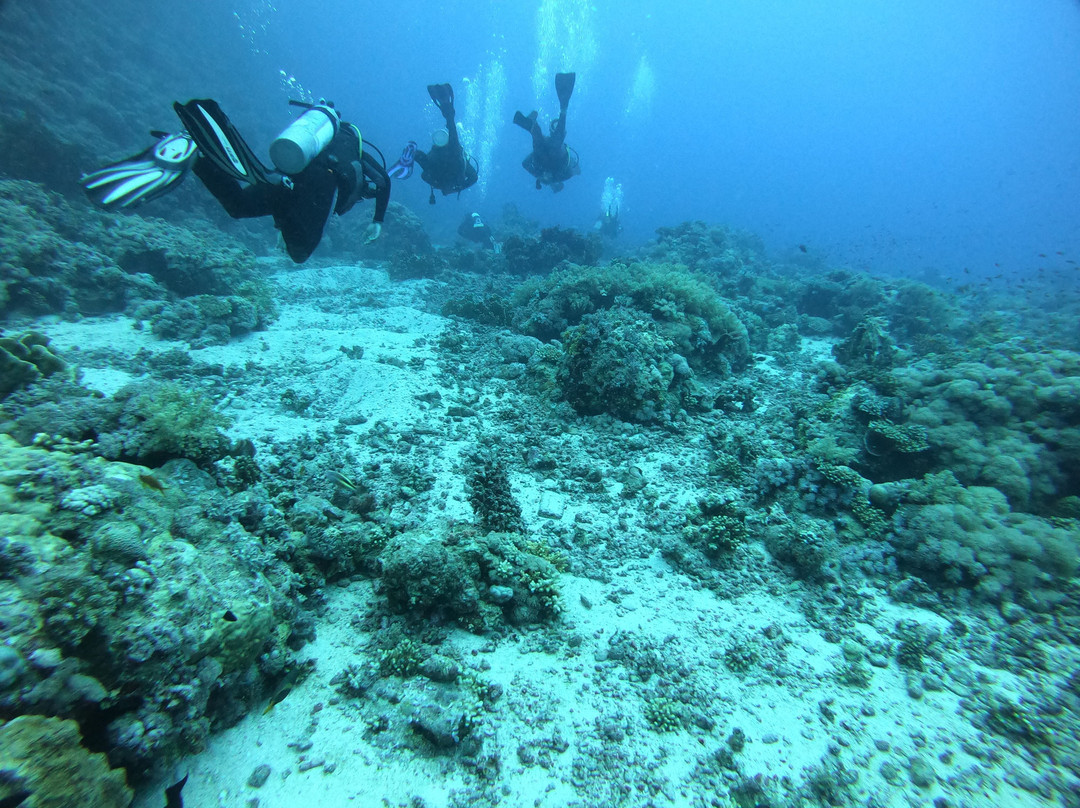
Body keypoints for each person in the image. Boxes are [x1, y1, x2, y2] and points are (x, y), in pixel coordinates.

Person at [80, 98, 390, 264]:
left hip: (289, 173)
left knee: (239, 206)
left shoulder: (317, 141)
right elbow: (384, 180)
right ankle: (204, 155)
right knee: (299, 254)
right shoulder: (356, 148)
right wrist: (378, 220)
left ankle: (199, 152)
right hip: (319, 182)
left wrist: (285, 215)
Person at [390, 83, 477, 205]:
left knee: (449, 142)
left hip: (438, 164)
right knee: (452, 144)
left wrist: (452, 189)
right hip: (448, 161)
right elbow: (474, 177)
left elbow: (425, 175)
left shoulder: (436, 180)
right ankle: (447, 109)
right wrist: (455, 190)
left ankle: (410, 154)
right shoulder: (456, 171)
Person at [513, 72, 579, 192]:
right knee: (554, 141)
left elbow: (525, 163)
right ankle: (561, 109)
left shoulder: (540, 171)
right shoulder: (562, 175)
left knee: (541, 141)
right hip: (553, 154)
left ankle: (533, 125)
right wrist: (551, 178)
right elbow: (575, 170)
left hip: (544, 156)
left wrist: (539, 175)